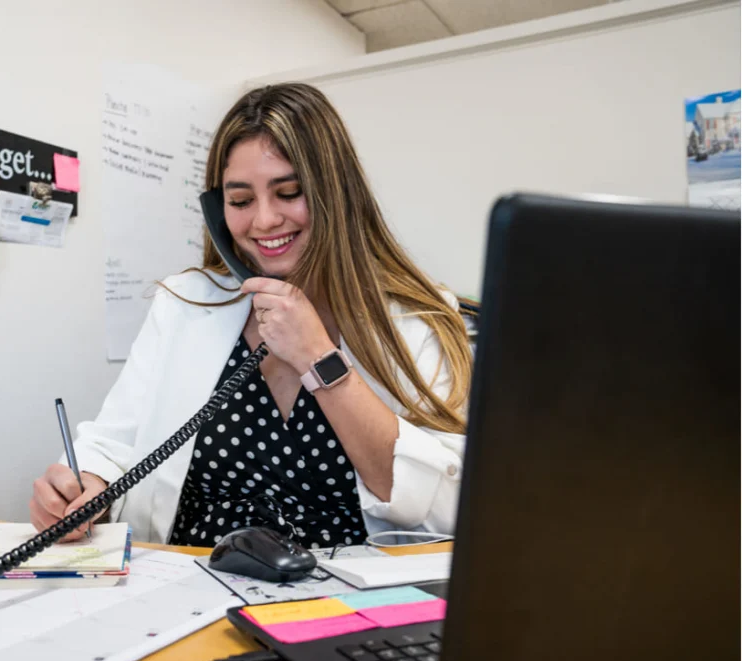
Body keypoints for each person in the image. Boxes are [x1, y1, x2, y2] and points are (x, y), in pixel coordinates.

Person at [30, 83, 473, 550]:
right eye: (240, 201)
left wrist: (319, 358)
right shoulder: (185, 302)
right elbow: (116, 442)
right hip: (191, 580)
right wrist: (86, 486)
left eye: (290, 192)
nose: (264, 221)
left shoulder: (420, 316)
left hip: (347, 594)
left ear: (337, 195)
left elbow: (448, 507)